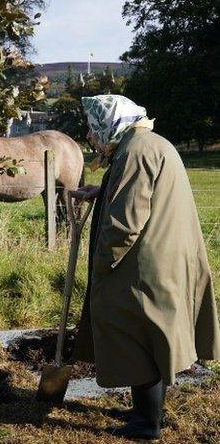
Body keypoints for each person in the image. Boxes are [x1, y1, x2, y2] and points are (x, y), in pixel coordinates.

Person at [73, 94, 220, 441]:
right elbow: (137, 191)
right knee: (150, 334)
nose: (93, 136)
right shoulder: (146, 143)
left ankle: (145, 424)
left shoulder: (135, 152)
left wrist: (102, 262)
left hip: (145, 263)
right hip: (164, 255)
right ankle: (144, 411)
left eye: (96, 128)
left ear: (111, 123)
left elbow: (126, 221)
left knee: (136, 333)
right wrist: (103, 188)